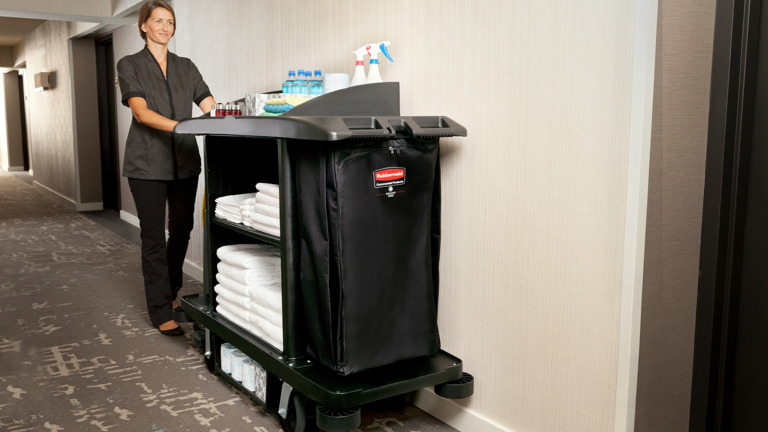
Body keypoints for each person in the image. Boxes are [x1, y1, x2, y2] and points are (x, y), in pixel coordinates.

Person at [117, 0, 216, 336]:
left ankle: (171, 293)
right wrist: (185, 127)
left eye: (169, 21)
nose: (164, 26)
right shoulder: (129, 64)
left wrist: (222, 117)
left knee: (183, 230)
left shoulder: (186, 66)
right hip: (146, 164)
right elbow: (141, 113)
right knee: (154, 237)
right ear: (144, 25)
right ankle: (160, 311)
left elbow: (209, 104)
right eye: (157, 20)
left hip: (185, 161)